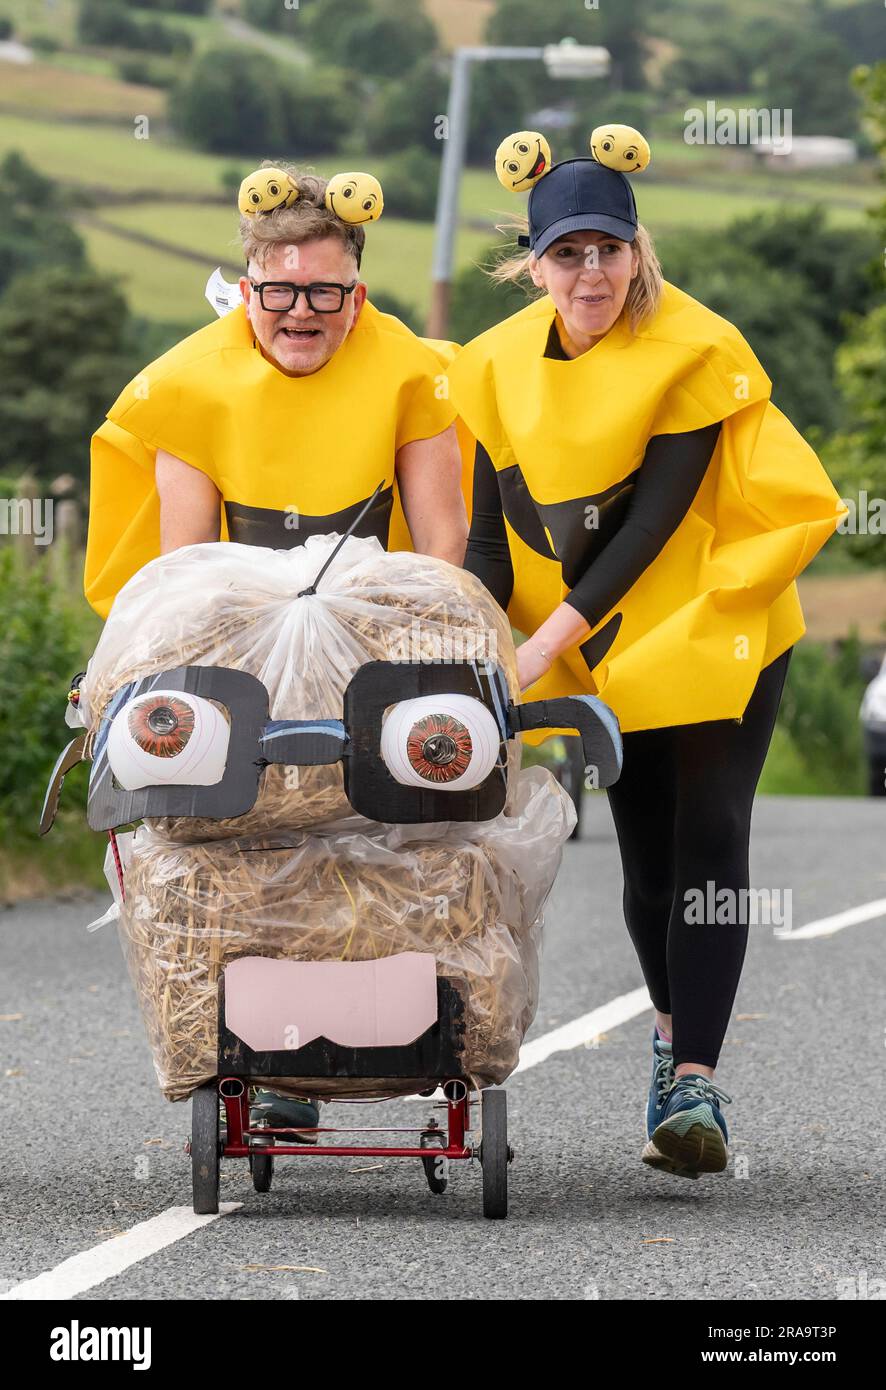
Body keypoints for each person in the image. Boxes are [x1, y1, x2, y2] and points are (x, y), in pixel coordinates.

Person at [447, 130, 846, 1179]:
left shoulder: (693, 346)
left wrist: (537, 649)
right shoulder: (489, 367)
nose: (591, 274)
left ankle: (698, 1081)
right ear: (533, 262)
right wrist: (464, 638)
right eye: (568, 253)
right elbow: (493, 539)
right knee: (647, 853)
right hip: (602, 641)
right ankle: (670, 1046)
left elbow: (652, 525)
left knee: (709, 830)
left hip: (714, 618)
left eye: (609, 250)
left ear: (638, 250)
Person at [84, 162, 471, 1141]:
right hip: (241, 643)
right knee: (247, 848)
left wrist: (419, 652)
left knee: (373, 843)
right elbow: (185, 566)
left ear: (358, 294)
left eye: (324, 293)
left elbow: (441, 540)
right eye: (280, 291)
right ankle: (278, 1058)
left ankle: (383, 1035)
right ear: (246, 287)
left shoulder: (410, 370)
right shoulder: (190, 383)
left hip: (372, 633)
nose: (301, 312)